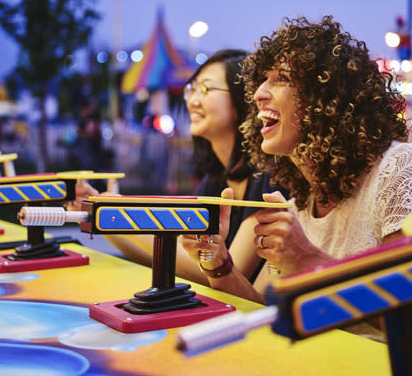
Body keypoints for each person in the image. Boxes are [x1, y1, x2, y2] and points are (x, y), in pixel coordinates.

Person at [184, 15, 412, 376]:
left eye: (282, 79)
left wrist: (305, 259)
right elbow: (264, 311)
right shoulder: (301, 204)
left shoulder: (401, 169)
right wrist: (218, 263)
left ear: (327, 98)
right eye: (262, 79)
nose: (259, 92)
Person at [73, 49, 285, 290]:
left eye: (205, 89)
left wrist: (119, 212)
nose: (192, 100)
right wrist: (98, 214)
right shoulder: (215, 181)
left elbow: (209, 271)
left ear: (242, 99)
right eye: (191, 89)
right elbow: (166, 263)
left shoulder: (268, 179)